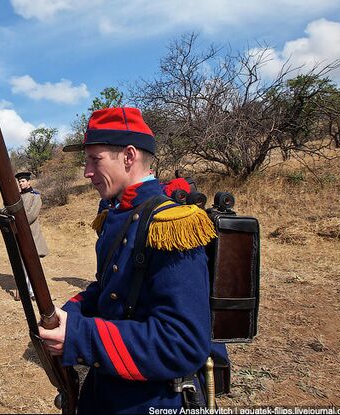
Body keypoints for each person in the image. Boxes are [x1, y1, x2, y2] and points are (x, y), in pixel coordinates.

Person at [37, 107, 217, 413]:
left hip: (151, 399)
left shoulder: (170, 224)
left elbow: (184, 344)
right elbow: (111, 289)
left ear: (129, 156)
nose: (87, 172)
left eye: (95, 159)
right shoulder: (117, 212)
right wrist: (68, 314)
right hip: (110, 387)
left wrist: (81, 335)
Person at [11, 172, 49, 301]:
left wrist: (17, 222)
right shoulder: (16, 197)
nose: (21, 183)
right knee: (22, 264)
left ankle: (34, 291)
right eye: (19, 182)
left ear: (29, 182)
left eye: (23, 181)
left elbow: (32, 215)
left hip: (32, 234)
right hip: (19, 234)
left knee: (34, 264)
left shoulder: (35, 196)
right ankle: (25, 291)